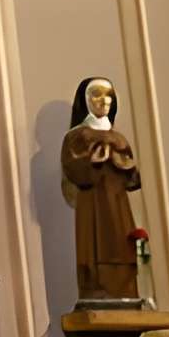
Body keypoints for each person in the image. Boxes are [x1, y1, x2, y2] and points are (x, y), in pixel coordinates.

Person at [62, 75, 145, 305]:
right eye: (96, 94)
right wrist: (98, 156)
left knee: (122, 246)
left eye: (109, 95)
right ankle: (97, 291)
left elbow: (133, 178)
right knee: (95, 247)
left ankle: (125, 291)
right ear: (85, 100)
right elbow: (76, 170)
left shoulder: (119, 138)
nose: (104, 100)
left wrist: (120, 159)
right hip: (94, 207)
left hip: (119, 208)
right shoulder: (77, 137)